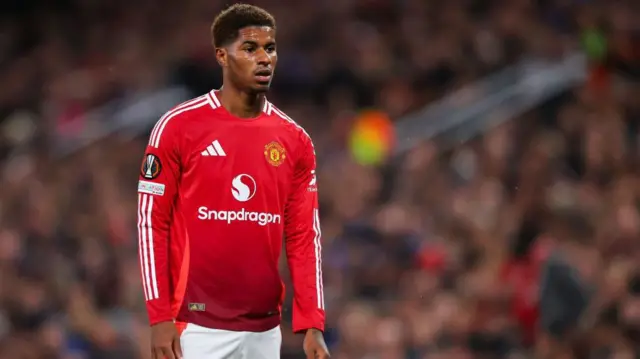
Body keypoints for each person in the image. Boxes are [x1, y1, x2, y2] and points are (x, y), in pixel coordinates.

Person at [136, 4, 329, 359]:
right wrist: (159, 315)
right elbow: (152, 223)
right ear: (222, 56)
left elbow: (304, 237)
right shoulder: (178, 127)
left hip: (264, 330)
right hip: (193, 326)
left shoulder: (295, 140)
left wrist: (312, 323)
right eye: (250, 48)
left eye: (270, 48)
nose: (264, 58)